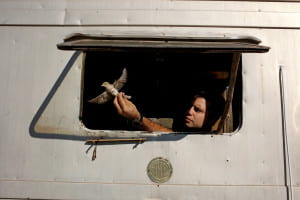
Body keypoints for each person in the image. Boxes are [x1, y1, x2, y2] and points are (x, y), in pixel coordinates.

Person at [113, 91, 224, 133]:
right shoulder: (175, 122)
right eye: (190, 106)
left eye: (197, 110)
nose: (189, 111)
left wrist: (138, 118)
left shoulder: (212, 140)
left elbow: (173, 136)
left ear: (211, 118)